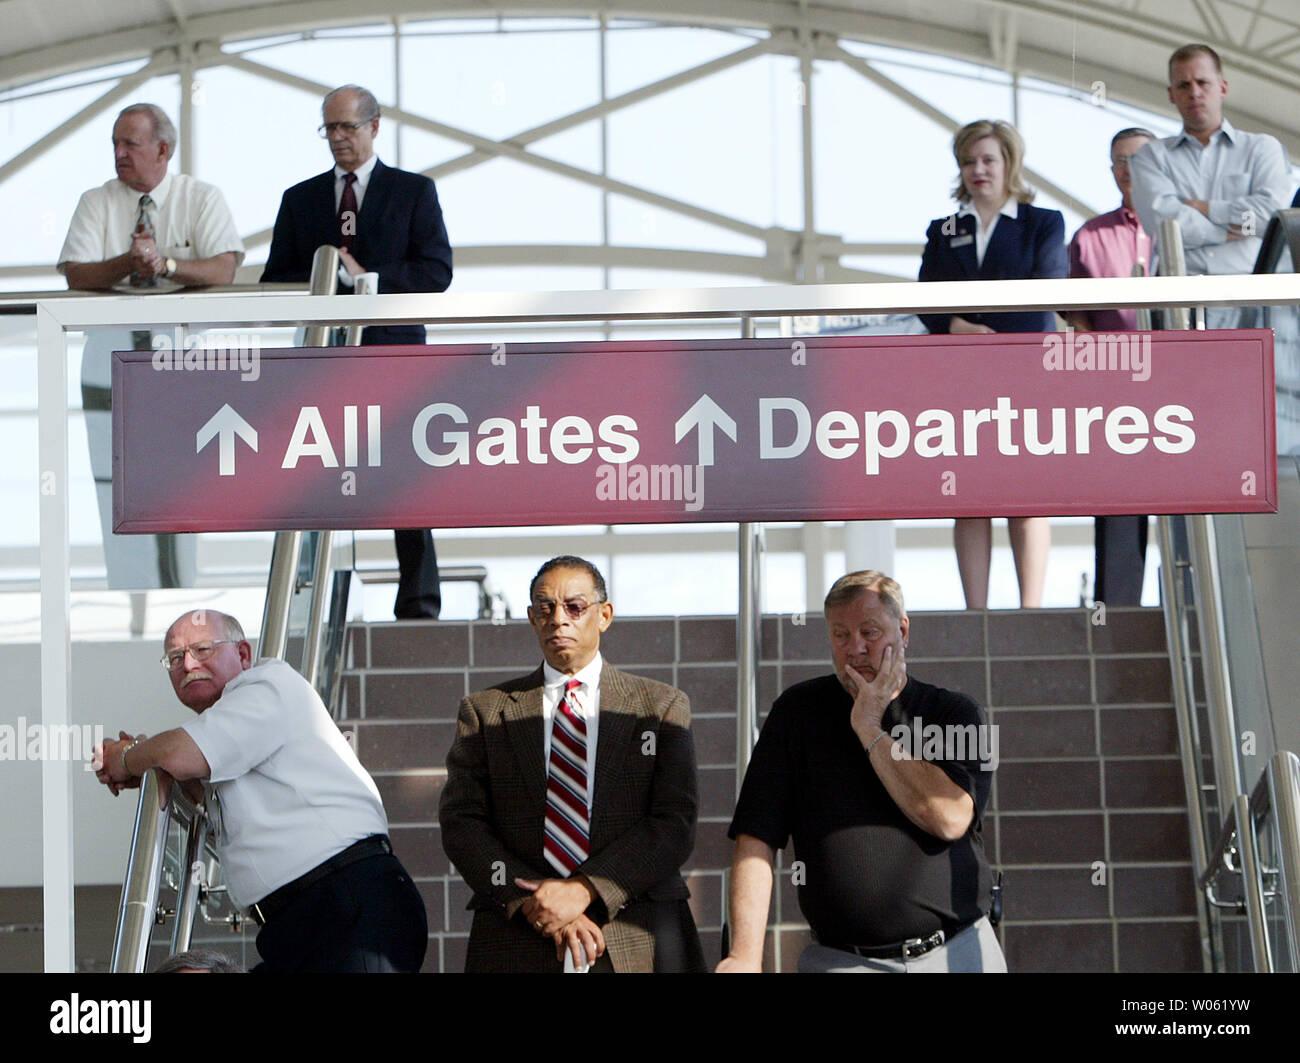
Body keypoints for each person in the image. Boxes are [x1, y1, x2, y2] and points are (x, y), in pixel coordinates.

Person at [93, 610, 427, 973]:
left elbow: (178, 754)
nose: (188, 664)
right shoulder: (230, 727)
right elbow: (187, 771)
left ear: (243, 655)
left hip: (347, 906)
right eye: (175, 657)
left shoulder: (266, 686)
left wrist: (125, 757)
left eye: (202, 649)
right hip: (304, 921)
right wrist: (150, 762)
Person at [718, 570, 1003, 973]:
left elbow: (950, 818)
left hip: (956, 951)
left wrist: (870, 727)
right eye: (840, 635)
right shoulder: (796, 714)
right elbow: (756, 839)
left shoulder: (955, 713)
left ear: (902, 630)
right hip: (840, 958)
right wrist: (744, 955)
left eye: (870, 632)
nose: (856, 648)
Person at [439, 555, 704, 972]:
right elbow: (463, 824)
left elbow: (674, 822)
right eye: (545, 608)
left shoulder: (659, 706)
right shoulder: (486, 711)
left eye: (574, 607)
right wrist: (536, 902)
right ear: (531, 617)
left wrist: (584, 890)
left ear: (604, 615)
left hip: (636, 935)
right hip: (517, 939)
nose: (558, 619)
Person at [262, 84, 452, 619]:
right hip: (324, 357)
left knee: (405, 472)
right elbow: (276, 280)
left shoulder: (413, 192)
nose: (338, 138)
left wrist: (369, 279)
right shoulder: (300, 199)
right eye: (329, 128)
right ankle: (306, 598)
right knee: (314, 469)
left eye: (347, 126)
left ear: (374, 126)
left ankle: (418, 598)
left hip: (393, 354)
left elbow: (436, 272)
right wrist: (329, 281)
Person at [58, 103, 244, 589]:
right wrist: (127, 263)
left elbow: (224, 269)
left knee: (188, 477)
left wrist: (166, 267)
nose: (119, 154)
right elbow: (76, 274)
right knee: (118, 481)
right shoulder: (96, 201)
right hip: (110, 360)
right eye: (115, 145)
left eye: (130, 145)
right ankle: (131, 589)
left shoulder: (200, 197)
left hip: (186, 359)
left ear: (163, 149)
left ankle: (185, 586)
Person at [918, 119, 1066, 610]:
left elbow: (1047, 286)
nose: (978, 169)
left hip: (1024, 372)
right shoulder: (944, 230)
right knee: (969, 494)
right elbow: (926, 298)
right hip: (963, 377)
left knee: (1026, 492)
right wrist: (958, 326)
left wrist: (985, 327)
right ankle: (975, 611)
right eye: (969, 161)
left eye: (988, 159)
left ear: (1009, 164)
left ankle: (1031, 607)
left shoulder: (1042, 223)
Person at [1129, 44, 1291, 327]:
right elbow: (1164, 225)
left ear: (1223, 86)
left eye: (1202, 82)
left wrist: (1206, 208)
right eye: (1183, 85)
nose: (1194, 92)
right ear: (1171, 94)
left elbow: (1271, 216)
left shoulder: (1263, 149)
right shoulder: (1150, 156)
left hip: (1253, 301)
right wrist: (1231, 229)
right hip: (1180, 305)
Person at [1067, 128, 1157, 606]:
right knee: (1119, 513)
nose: (1128, 169)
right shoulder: (1090, 237)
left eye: (1138, 159)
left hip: (1184, 387)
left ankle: (1197, 599)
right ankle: (1118, 619)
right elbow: (1076, 319)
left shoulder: (1183, 228)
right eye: (1119, 161)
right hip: (1116, 391)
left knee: (1192, 509)